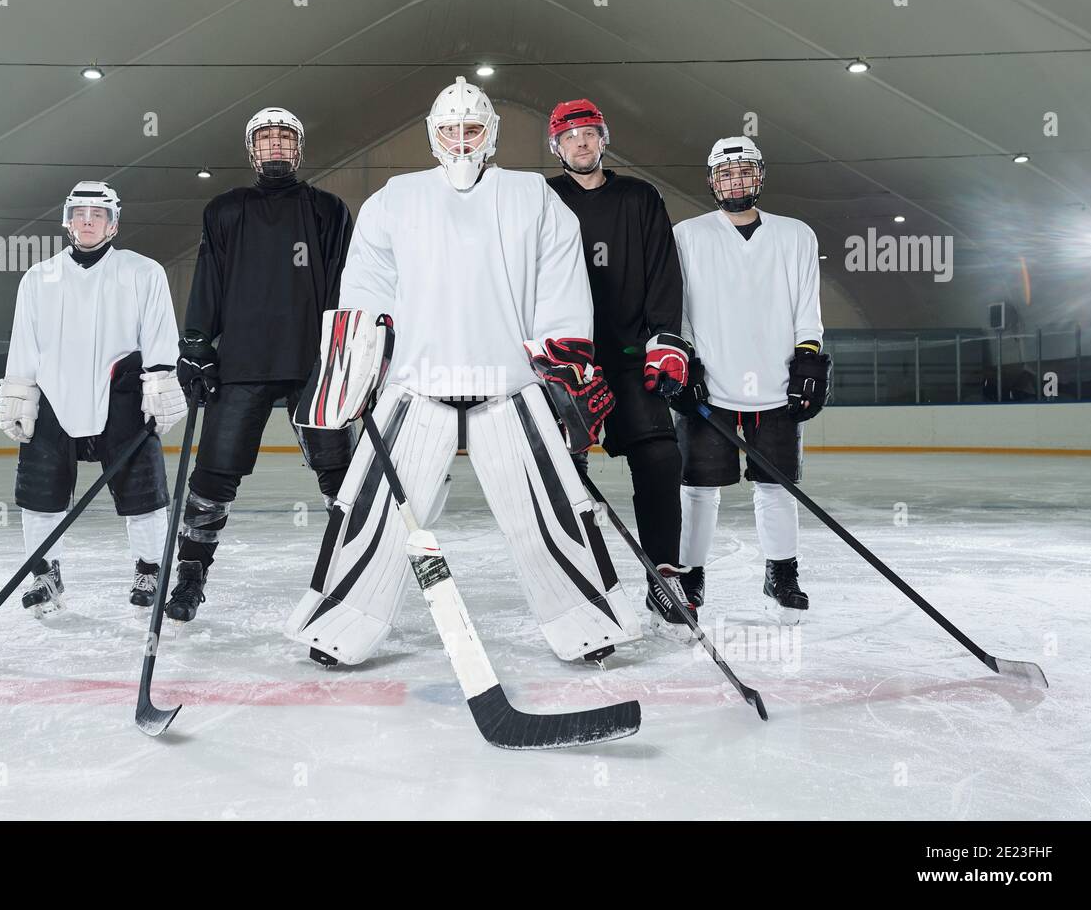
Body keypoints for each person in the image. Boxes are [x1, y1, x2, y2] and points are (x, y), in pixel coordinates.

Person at [286, 76, 640, 669]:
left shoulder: (533, 197)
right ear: (431, 136)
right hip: (416, 389)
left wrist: (565, 365)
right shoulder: (395, 199)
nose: (459, 141)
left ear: (491, 134)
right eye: (448, 130)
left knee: (549, 511)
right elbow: (366, 288)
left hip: (510, 387)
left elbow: (562, 285)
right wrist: (361, 366)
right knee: (373, 510)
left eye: (471, 129)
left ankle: (586, 621)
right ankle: (341, 623)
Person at [162, 107, 355, 622]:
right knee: (212, 476)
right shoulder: (225, 210)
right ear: (253, 150)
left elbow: (343, 284)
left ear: (298, 149)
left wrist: (349, 352)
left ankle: (353, 572)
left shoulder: (328, 210)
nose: (275, 146)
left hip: (312, 360)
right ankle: (191, 575)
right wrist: (197, 345)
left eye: (284, 139)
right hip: (242, 361)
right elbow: (209, 280)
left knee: (341, 474)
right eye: (266, 139)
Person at [0, 181, 185, 617]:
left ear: (112, 223)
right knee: (40, 495)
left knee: (143, 495)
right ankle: (45, 574)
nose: (87, 221)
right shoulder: (38, 278)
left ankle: (150, 569)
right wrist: (19, 392)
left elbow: (159, 334)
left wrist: (160, 383)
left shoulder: (143, 272)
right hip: (54, 399)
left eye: (96, 215)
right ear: (67, 221)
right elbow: (24, 341)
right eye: (79, 213)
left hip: (121, 395)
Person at [544, 98, 694, 629]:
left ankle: (664, 576)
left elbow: (662, 270)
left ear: (602, 139)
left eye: (589, 133)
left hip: (631, 356)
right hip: (565, 362)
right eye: (570, 136)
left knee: (658, 460)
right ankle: (580, 578)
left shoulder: (640, 196)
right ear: (556, 146)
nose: (581, 143)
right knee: (566, 473)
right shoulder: (542, 199)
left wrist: (665, 340)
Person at [670, 138, 831, 620]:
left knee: (777, 486)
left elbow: (808, 306)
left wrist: (807, 359)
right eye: (725, 174)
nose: (735, 181)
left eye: (743, 172)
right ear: (712, 181)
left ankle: (781, 573)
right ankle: (690, 576)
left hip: (777, 384)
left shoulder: (796, 235)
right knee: (697, 488)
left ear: (759, 176)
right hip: (710, 385)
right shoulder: (687, 236)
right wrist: (685, 361)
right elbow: (677, 309)